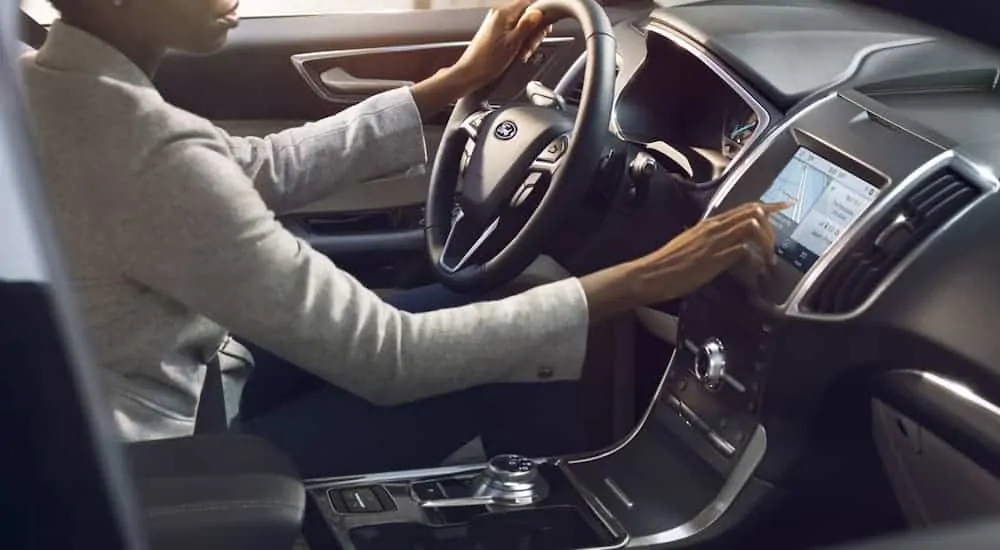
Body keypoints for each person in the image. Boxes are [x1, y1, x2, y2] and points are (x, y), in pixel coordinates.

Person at [20, 0, 787, 477]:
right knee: (513, 364)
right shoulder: (142, 147)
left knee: (502, 297)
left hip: (166, 374)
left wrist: (446, 86)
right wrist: (643, 279)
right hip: (171, 460)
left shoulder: (46, 85)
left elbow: (252, 166)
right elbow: (392, 360)